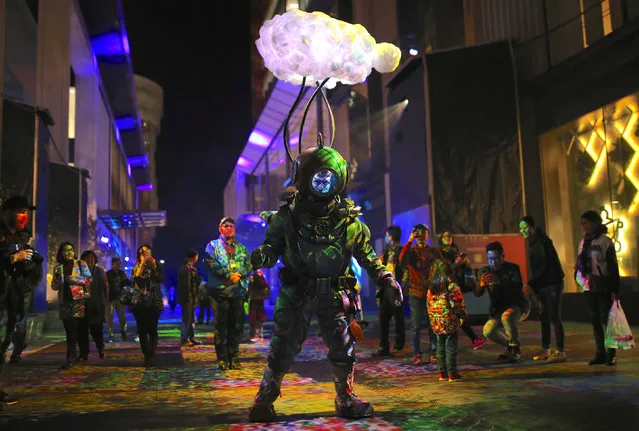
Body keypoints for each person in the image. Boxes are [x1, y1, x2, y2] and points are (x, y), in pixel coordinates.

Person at [248, 144, 403, 422]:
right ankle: (264, 398)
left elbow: (367, 258)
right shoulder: (287, 218)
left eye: (329, 177)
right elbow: (272, 247)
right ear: (303, 176)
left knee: (343, 348)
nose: (323, 182)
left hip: (335, 294)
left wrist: (385, 277)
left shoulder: (349, 222)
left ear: (339, 178)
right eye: (317, 177)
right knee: (283, 346)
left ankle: (345, 398)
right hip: (298, 292)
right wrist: (264, 255)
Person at [0, 196, 43, 406]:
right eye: (20, 212)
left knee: (3, 345)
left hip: (11, 301)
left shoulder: (17, 239)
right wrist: (11, 259)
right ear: (7, 213)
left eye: (27, 212)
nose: (25, 217)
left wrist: (25, 279)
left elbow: (34, 270)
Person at [204, 217, 252, 370]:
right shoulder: (212, 246)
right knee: (221, 326)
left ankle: (234, 357)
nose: (229, 228)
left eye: (231, 226)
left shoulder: (242, 248)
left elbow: (249, 264)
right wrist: (228, 274)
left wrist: (239, 273)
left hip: (237, 291)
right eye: (226, 226)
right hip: (219, 291)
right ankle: (223, 358)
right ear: (220, 229)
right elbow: (211, 264)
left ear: (235, 229)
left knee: (236, 325)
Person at [575, 210, 620, 366]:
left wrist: (614, 288)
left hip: (603, 286)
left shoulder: (605, 242)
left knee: (607, 321)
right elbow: (579, 265)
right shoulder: (583, 243)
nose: (583, 227)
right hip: (589, 287)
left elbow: (613, 266)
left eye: (586, 223)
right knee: (595, 320)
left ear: (595, 223)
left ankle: (611, 353)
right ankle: (600, 353)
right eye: (582, 224)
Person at [519, 216, 566, 362]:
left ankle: (560, 351)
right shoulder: (533, 242)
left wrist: (531, 282)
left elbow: (545, 265)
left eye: (525, 227)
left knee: (554, 316)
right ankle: (546, 349)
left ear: (532, 227)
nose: (522, 231)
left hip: (552, 283)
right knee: (545, 316)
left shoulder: (542, 241)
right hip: (544, 284)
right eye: (521, 228)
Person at [475, 242, 528, 363]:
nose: (493, 262)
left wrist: (499, 282)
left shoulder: (512, 269)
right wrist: (481, 285)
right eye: (490, 259)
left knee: (506, 316)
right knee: (488, 331)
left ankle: (515, 349)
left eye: (496, 258)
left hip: (518, 305)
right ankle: (512, 347)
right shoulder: (485, 271)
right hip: (498, 309)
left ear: (503, 256)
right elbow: (477, 293)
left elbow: (516, 290)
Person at [438, 231, 487, 350]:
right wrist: (456, 264)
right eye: (445, 236)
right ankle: (473, 339)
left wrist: (465, 263)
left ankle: (473, 339)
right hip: (445, 286)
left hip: (456, 286)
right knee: (453, 315)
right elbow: (444, 270)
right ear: (441, 239)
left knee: (457, 314)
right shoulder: (439, 253)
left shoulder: (455, 251)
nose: (448, 238)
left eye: (449, 236)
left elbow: (460, 268)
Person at [399, 224, 440, 365]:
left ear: (428, 235)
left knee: (432, 324)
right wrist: (409, 241)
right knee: (416, 324)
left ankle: (434, 352)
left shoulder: (434, 252)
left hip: (431, 291)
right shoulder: (411, 251)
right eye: (418, 232)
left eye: (424, 232)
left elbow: (442, 268)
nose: (422, 234)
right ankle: (417, 354)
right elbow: (401, 259)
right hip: (415, 291)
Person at [51, 242, 92, 370]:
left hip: (78, 301)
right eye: (65, 250)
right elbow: (54, 287)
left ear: (74, 252)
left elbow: (89, 280)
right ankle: (73, 355)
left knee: (73, 329)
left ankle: (71, 358)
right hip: (64, 302)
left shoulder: (81, 264)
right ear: (61, 253)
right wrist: (56, 281)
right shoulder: (58, 268)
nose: (68, 252)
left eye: (70, 250)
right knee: (68, 330)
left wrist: (75, 281)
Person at [427, 260, 467, 382]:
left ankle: (442, 373)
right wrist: (462, 315)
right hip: (450, 321)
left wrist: (433, 320)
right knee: (450, 347)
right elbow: (456, 303)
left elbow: (428, 305)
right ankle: (452, 374)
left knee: (440, 347)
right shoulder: (451, 286)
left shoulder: (432, 288)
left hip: (437, 322)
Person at [131, 244, 165, 367]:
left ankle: (151, 354)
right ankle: (147, 355)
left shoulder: (156, 266)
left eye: (147, 252)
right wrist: (142, 264)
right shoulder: (136, 266)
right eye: (142, 253)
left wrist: (154, 265)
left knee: (152, 330)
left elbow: (160, 278)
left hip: (154, 301)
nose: (144, 255)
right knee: (142, 330)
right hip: (140, 302)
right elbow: (136, 279)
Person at [377, 225, 406, 356]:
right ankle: (384, 346)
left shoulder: (402, 251)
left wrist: (403, 286)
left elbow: (406, 270)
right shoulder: (386, 251)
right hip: (386, 286)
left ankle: (399, 345)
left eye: (386, 235)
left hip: (397, 286)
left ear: (390, 236)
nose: (385, 238)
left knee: (398, 317)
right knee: (383, 317)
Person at [78, 250, 108, 360]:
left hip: (96, 306)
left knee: (97, 331)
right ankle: (83, 353)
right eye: (87, 258)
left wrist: (105, 302)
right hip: (82, 305)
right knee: (82, 332)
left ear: (95, 260)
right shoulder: (78, 271)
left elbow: (105, 288)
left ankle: (101, 349)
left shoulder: (100, 271)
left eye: (92, 258)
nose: (89, 260)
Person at [178, 248, 201, 346]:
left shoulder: (190, 267)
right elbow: (187, 285)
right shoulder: (187, 269)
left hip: (191, 298)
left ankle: (190, 337)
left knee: (191, 318)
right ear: (194, 256)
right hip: (188, 298)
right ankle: (185, 338)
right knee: (187, 319)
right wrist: (189, 298)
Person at [105, 257, 131, 342]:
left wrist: (132, 282)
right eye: (116, 263)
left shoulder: (122, 273)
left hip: (120, 299)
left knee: (122, 317)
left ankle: (123, 331)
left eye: (119, 263)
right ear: (112, 264)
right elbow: (105, 285)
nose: (118, 265)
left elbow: (126, 281)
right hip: (110, 299)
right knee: (109, 318)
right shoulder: (108, 274)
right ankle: (110, 334)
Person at [248, 269, 269, 342]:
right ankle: (256, 334)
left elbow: (264, 287)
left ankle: (258, 335)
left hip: (257, 299)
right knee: (255, 317)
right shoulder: (255, 277)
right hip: (255, 299)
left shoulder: (258, 277)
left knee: (257, 317)